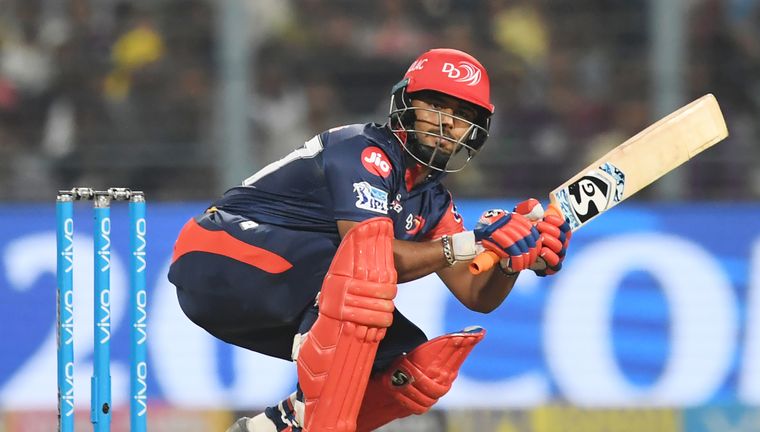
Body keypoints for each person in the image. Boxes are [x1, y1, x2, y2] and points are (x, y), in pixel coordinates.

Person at [168, 48, 571, 432]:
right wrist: (473, 241)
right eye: (435, 106)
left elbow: (476, 294)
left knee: (411, 371)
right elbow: (371, 253)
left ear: (476, 131)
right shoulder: (363, 150)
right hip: (218, 253)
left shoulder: (432, 200)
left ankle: (284, 422)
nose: (447, 123)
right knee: (365, 275)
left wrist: (510, 256)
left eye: (462, 115)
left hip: (275, 286)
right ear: (405, 104)